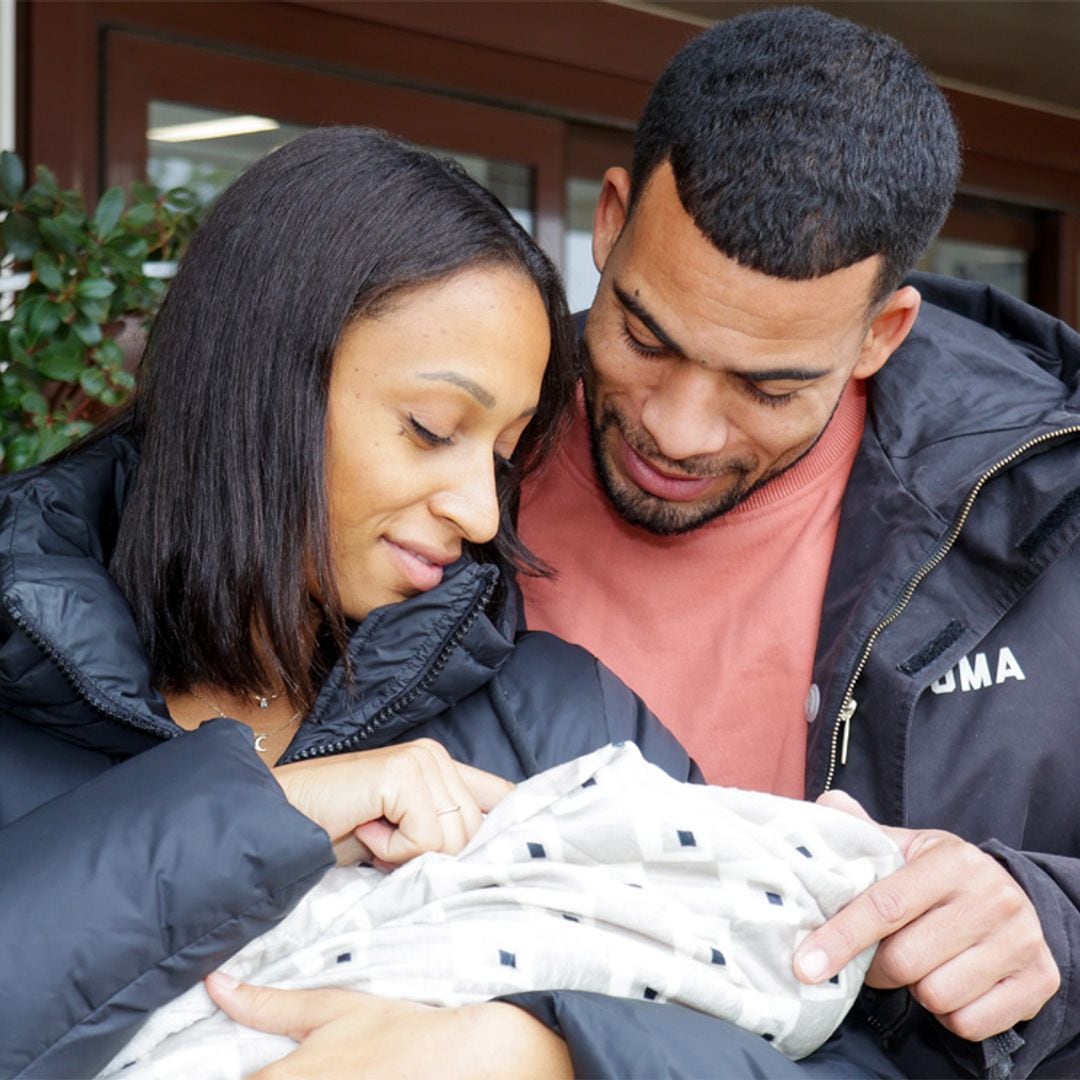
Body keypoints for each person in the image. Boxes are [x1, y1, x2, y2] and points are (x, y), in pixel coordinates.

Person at [0, 125, 901, 1080]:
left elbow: (830, 1046)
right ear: (254, 378)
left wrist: (542, 1052)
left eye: (506, 452)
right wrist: (263, 816)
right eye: (433, 429)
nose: (480, 512)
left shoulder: (563, 720)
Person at [517, 6, 1078, 1078]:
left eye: (767, 388)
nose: (676, 431)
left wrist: (1052, 920)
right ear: (612, 217)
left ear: (880, 334)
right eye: (644, 335)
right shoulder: (451, 455)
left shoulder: (1051, 522)